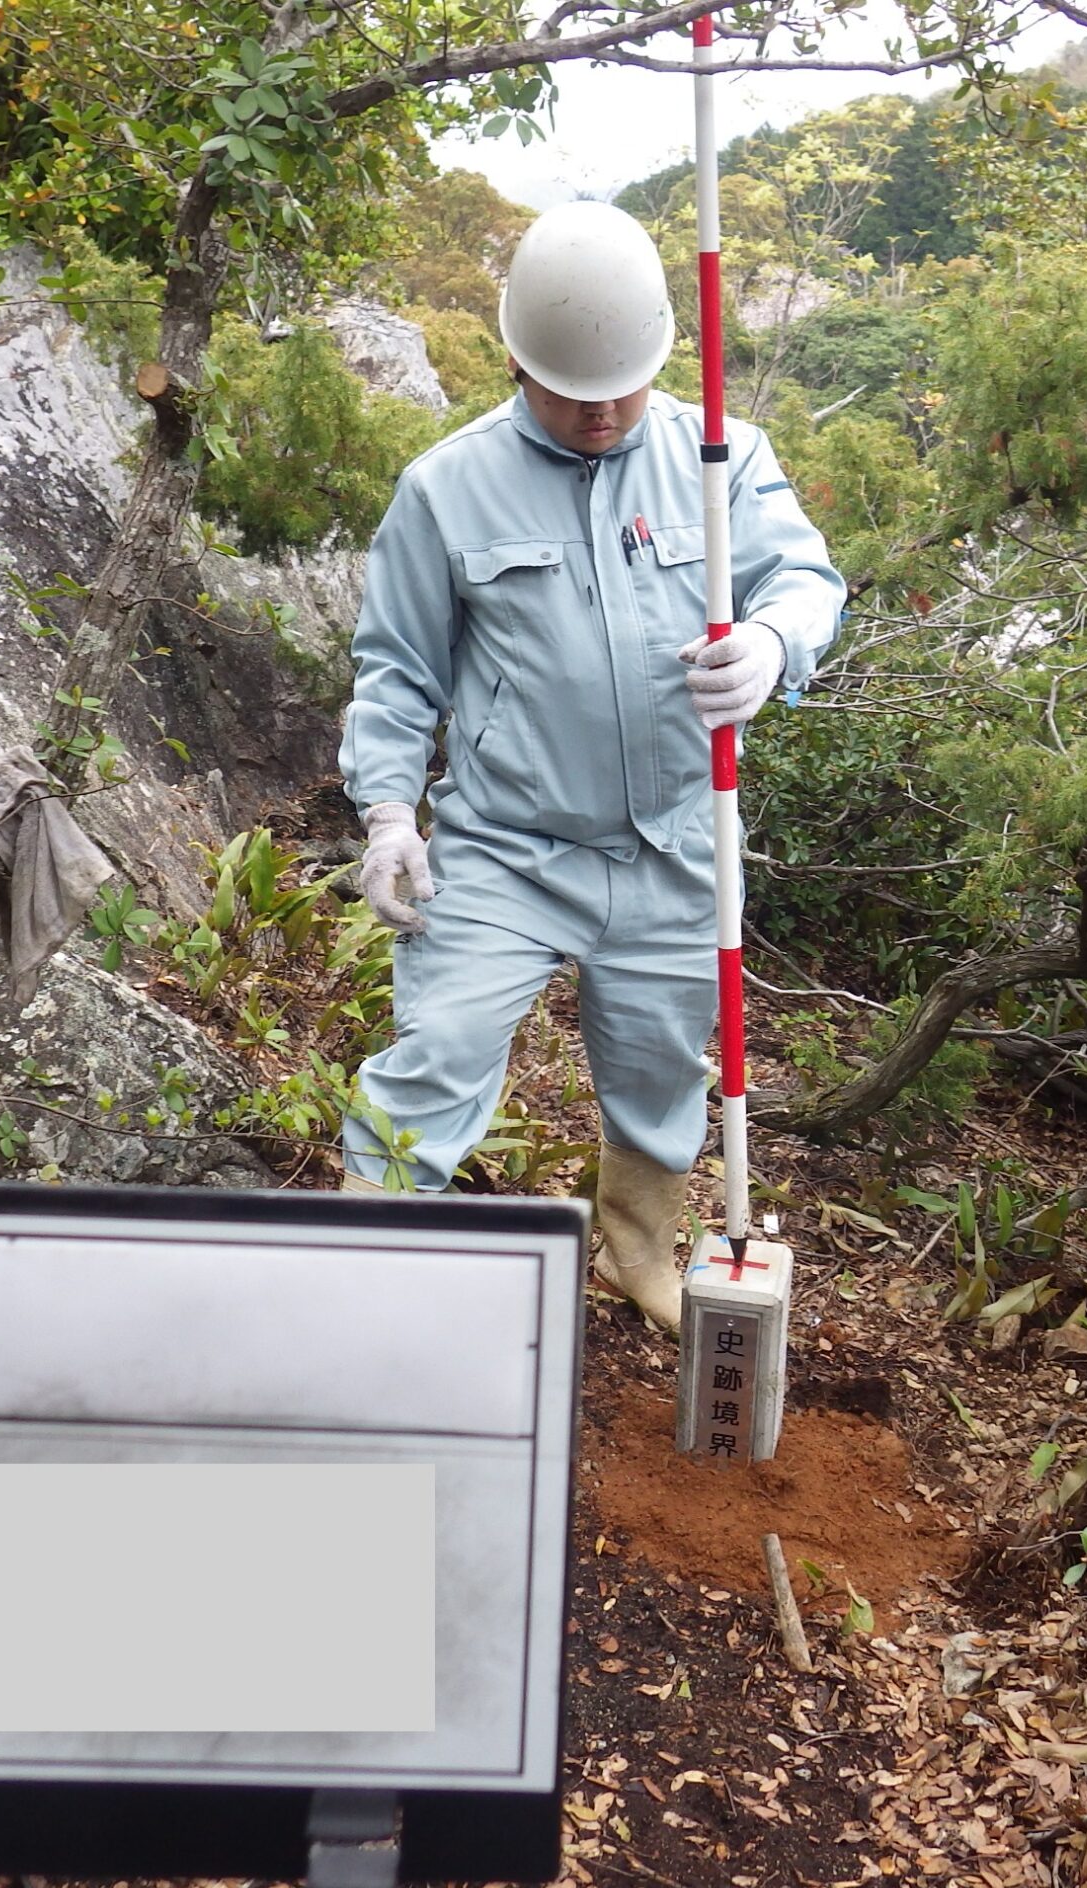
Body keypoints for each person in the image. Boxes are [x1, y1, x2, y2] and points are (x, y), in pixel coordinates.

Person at [336, 200, 846, 1331]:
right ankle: (363, 1275)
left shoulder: (719, 454)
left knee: (664, 1074)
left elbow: (803, 583)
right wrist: (385, 814)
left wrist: (770, 645)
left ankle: (638, 1251)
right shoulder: (444, 487)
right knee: (443, 1046)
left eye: (625, 381)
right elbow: (397, 669)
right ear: (518, 357)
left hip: (676, 840)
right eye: (576, 387)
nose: (605, 408)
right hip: (508, 848)